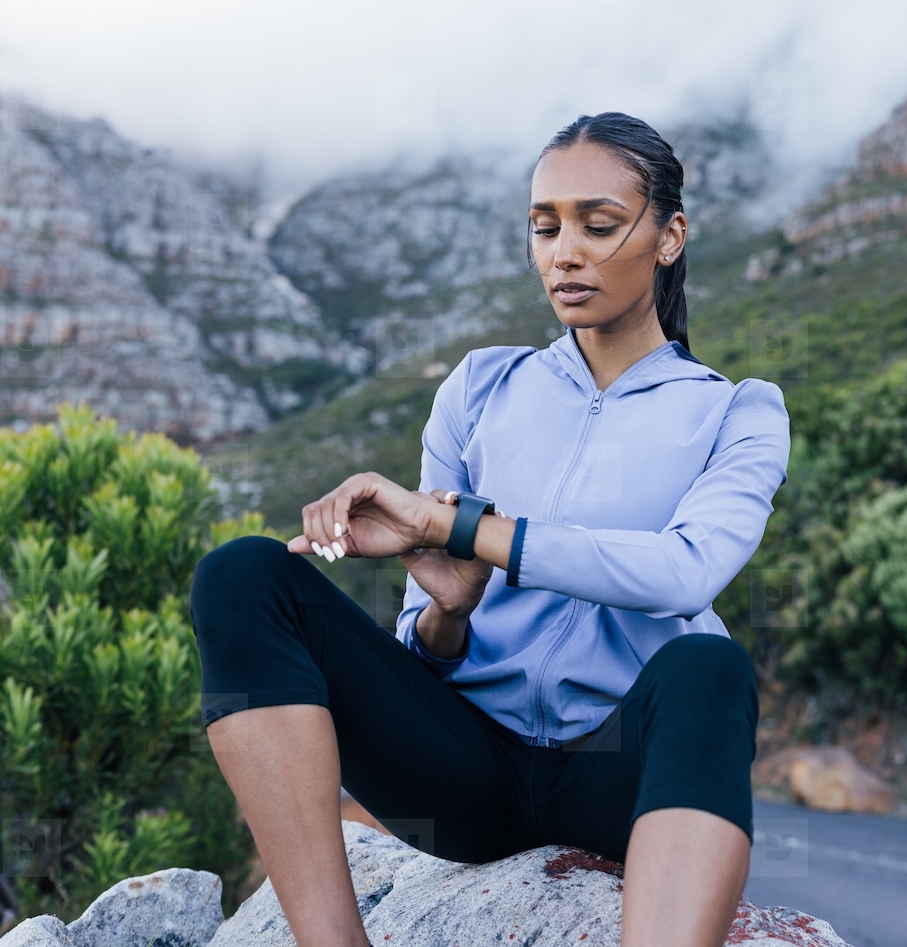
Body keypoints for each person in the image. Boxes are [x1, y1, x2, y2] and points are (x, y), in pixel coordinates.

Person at [189, 111, 790, 947]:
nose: (565, 252)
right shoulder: (479, 388)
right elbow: (425, 647)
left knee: (709, 666)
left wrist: (465, 526)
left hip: (611, 774)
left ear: (669, 235)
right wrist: (450, 611)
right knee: (243, 575)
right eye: (545, 228)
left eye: (599, 224)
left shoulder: (738, 412)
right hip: (464, 779)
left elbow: (683, 574)